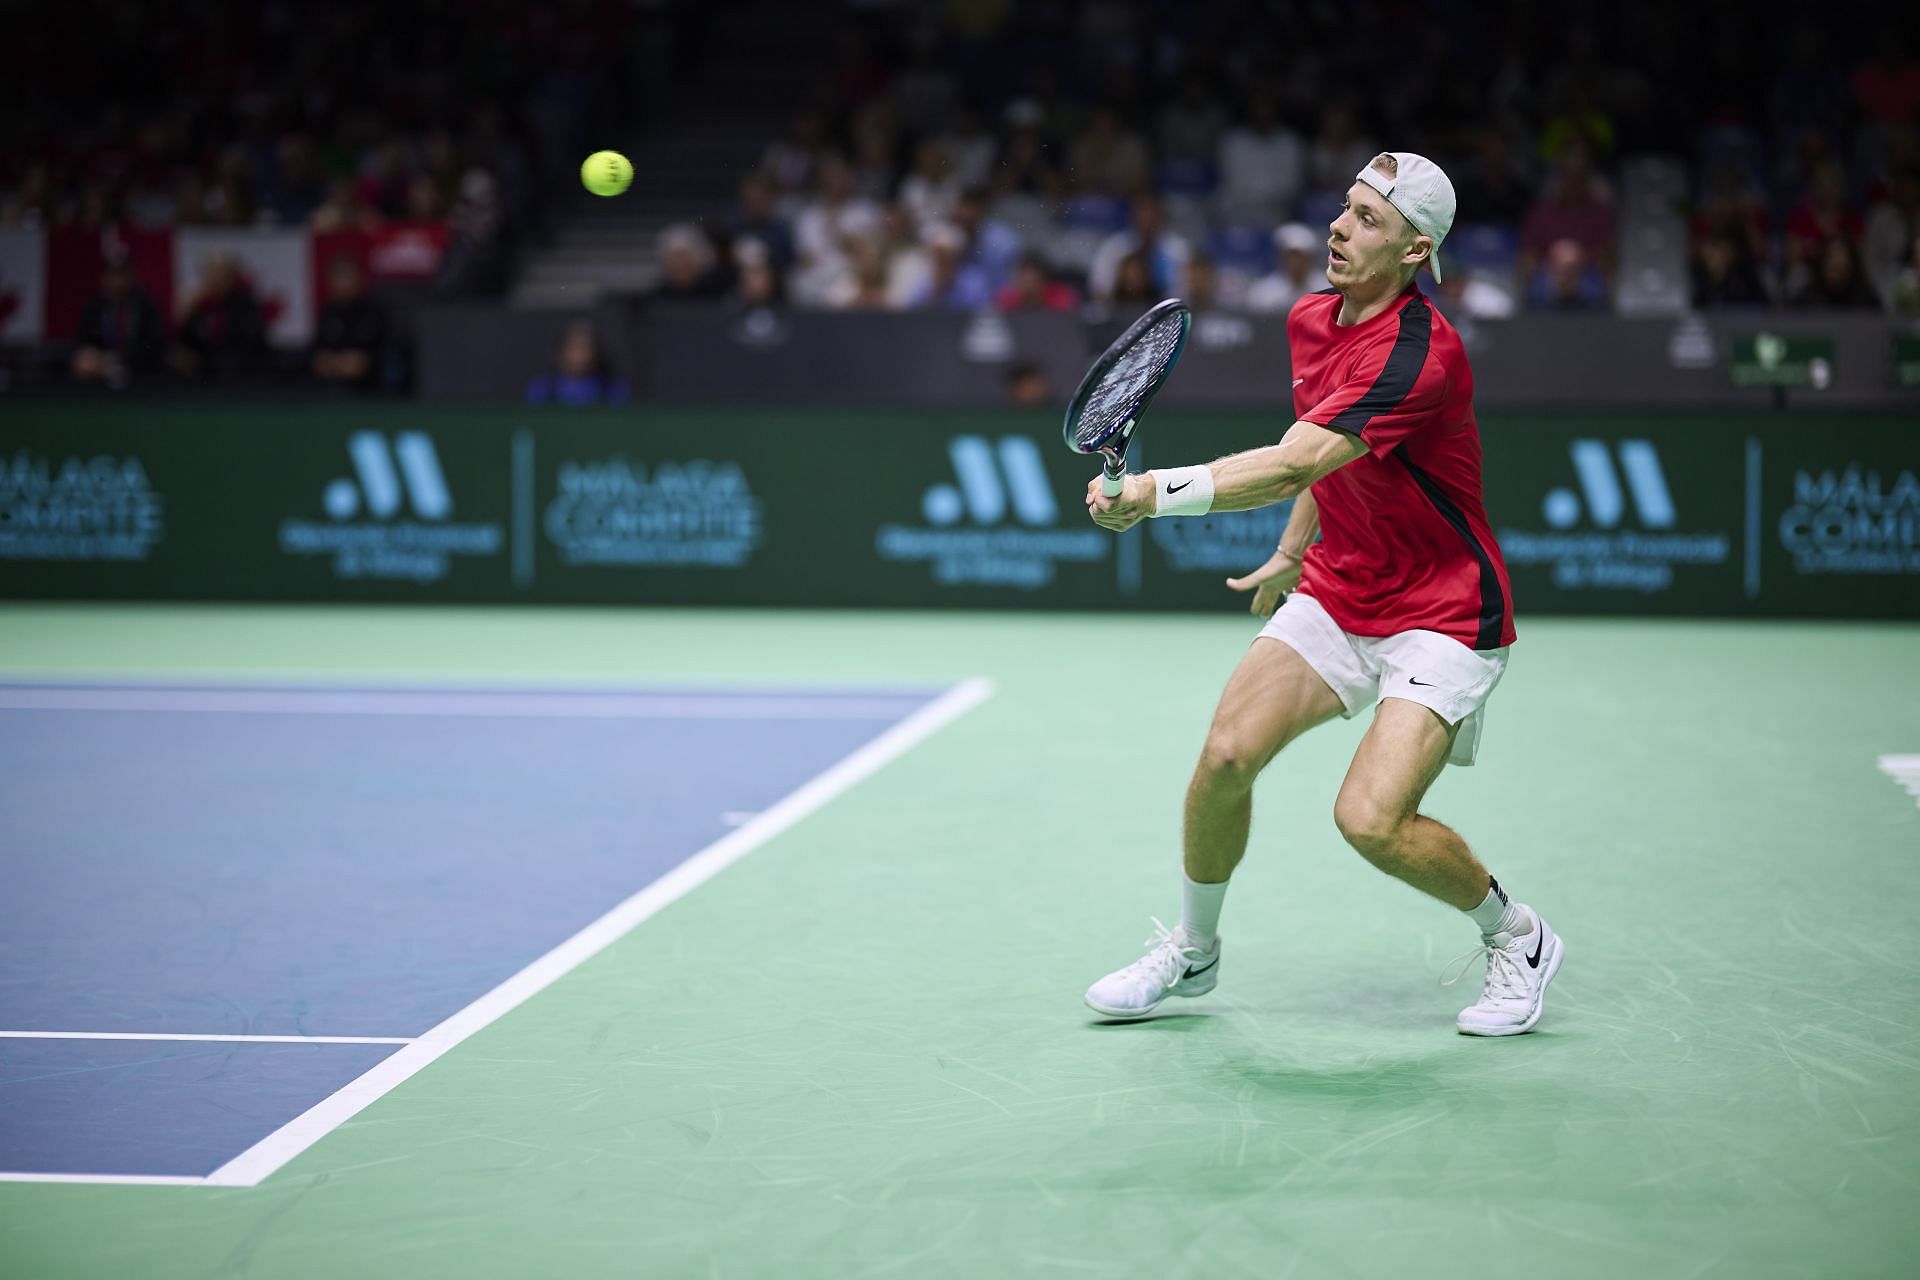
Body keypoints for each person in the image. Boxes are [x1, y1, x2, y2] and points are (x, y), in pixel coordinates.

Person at [1081, 153, 1558, 1038]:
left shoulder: (1422, 355)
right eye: (1345, 209)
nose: (1340, 228)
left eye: (1369, 220)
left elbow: (1301, 458)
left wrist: (1151, 494)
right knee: (1225, 758)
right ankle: (1194, 951)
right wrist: (1295, 547)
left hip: (1445, 610)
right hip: (1343, 588)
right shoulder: (1311, 319)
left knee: (1370, 819)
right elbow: (1327, 449)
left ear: (1416, 251)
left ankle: (1518, 937)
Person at [70, 257, 166, 387]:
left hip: (141, 380)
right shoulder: (93, 308)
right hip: (99, 379)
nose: (118, 283)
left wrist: (115, 359)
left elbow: (154, 347)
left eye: (122, 275)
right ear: (104, 278)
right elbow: (83, 345)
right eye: (113, 275)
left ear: (132, 276)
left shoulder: (147, 307)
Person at [311, 256, 392, 390]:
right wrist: (335, 363)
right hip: (327, 391)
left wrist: (360, 362)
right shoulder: (327, 312)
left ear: (359, 278)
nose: (342, 284)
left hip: (371, 390)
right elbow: (317, 356)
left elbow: (375, 357)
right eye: (337, 277)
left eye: (346, 277)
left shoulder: (373, 311)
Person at [525, 320, 629, 406]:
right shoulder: (542, 390)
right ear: (560, 353)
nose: (579, 356)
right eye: (574, 348)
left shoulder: (612, 391)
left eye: (585, 348)